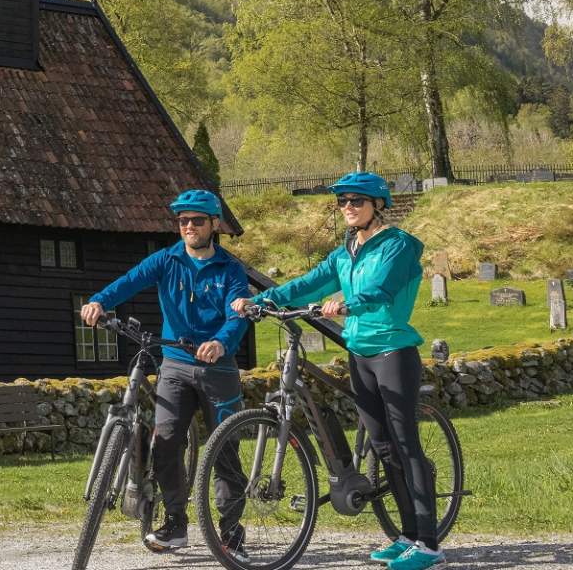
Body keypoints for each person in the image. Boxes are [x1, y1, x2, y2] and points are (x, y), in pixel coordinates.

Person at [234, 172, 443, 570]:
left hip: (393, 351)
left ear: (377, 205)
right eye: (343, 201)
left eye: (356, 201)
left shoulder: (398, 246)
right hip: (359, 353)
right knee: (382, 447)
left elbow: (382, 290)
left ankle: (430, 545)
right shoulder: (345, 250)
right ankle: (408, 536)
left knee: (404, 443)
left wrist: (349, 304)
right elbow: (308, 284)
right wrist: (259, 300)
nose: (348, 207)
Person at [82, 189, 253, 556]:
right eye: (183, 221)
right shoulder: (166, 259)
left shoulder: (231, 269)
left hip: (218, 368)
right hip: (174, 364)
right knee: (166, 442)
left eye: (197, 221)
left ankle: (232, 531)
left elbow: (238, 316)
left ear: (214, 225)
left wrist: (221, 342)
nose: (189, 227)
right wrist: (99, 300)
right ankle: (176, 524)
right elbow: (129, 281)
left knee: (224, 449)